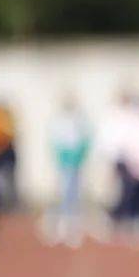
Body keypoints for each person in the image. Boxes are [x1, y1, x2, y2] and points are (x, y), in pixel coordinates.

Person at [49, 96, 92, 245]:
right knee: (64, 192)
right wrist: (63, 158)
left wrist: (80, 156)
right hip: (64, 162)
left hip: (76, 162)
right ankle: (61, 224)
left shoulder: (79, 119)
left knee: (75, 193)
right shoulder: (59, 120)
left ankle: (73, 225)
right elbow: (56, 141)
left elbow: (85, 139)